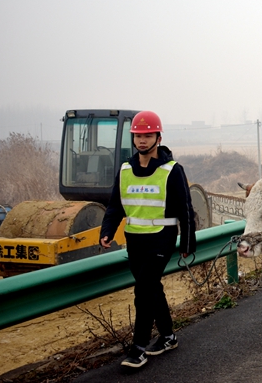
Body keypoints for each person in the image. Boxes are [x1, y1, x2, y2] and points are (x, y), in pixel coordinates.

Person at [99, 110, 196, 368]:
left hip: (161, 238)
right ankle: (168, 336)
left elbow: (186, 208)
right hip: (135, 240)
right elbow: (114, 206)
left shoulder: (171, 170)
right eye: (138, 136)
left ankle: (138, 348)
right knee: (152, 288)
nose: (142, 140)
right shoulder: (125, 170)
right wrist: (106, 230)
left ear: (158, 136)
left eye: (147, 135)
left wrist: (187, 243)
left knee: (143, 290)